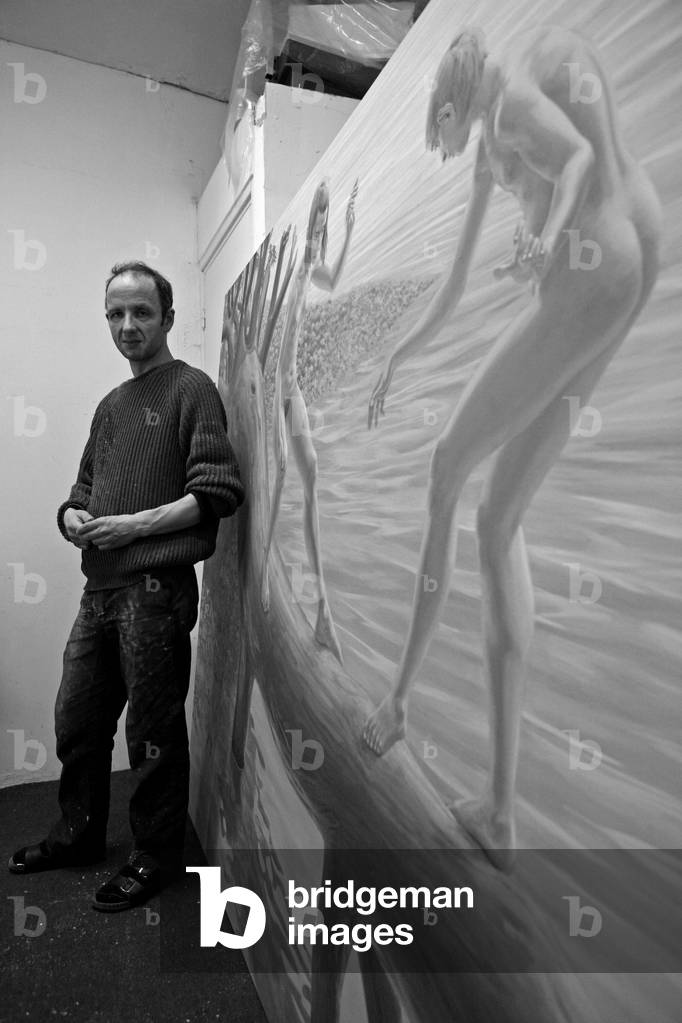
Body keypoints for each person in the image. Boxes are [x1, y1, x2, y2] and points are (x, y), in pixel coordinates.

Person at [362, 27, 661, 870]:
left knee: (446, 467)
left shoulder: (508, 108)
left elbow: (575, 161)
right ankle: (500, 812)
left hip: (589, 273)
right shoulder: (497, 131)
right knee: (497, 521)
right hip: (626, 265)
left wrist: (544, 242)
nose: (450, 149)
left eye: (442, 131)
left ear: (452, 105)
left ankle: (398, 701)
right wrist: (398, 354)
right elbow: (456, 280)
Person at [8, 261, 244, 909]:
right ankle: (78, 835)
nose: (127, 325)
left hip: (156, 588)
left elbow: (216, 491)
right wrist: (72, 517)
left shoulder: (192, 389)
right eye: (115, 313)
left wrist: (133, 526)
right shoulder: (111, 406)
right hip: (100, 590)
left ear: (168, 317)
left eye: (141, 311)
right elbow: (81, 490)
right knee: (77, 720)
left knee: (152, 731)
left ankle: (155, 855)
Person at [261, 179, 358, 663]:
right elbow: (273, 333)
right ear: (308, 225)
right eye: (318, 218)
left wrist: (349, 230)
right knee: (280, 474)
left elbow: (333, 280)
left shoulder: (311, 267)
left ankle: (323, 614)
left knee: (311, 472)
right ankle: (264, 573)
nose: (321, 226)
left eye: (326, 217)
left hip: (292, 386)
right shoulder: (293, 269)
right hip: (275, 390)